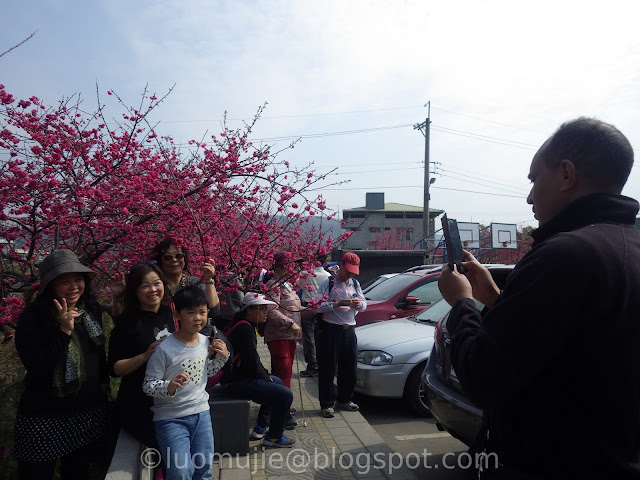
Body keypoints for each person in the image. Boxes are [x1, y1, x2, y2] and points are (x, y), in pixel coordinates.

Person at [438, 117, 640, 479]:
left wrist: (463, 303)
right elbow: (578, 350)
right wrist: (497, 300)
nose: (530, 196)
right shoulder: (624, 248)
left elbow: (483, 379)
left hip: (548, 462)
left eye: (534, 180)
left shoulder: (563, 255)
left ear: (566, 175)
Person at [14, 249, 109, 480]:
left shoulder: (88, 310)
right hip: (44, 417)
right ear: (50, 285)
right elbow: (38, 365)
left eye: (78, 279)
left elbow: (97, 353)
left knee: (77, 472)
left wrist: (104, 385)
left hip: (85, 412)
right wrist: (64, 331)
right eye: (64, 281)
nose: (74, 286)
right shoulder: (34, 317)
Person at [143, 286, 229, 480]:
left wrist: (222, 358)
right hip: (170, 419)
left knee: (204, 468)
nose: (197, 317)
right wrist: (169, 386)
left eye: (202, 312)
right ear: (177, 314)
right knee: (180, 472)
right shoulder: (164, 349)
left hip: (201, 414)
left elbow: (203, 374)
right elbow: (148, 385)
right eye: (191, 312)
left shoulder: (205, 342)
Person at [108, 262, 175, 448]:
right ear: (135, 291)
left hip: (170, 399)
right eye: (145, 285)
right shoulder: (127, 323)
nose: (152, 289)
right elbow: (115, 369)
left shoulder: (171, 314)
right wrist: (145, 356)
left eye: (157, 283)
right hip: (139, 404)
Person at [221, 292, 296, 448]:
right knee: (284, 394)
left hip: (237, 377)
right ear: (249, 310)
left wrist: (265, 376)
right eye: (261, 309)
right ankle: (274, 437)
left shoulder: (243, 324)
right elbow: (251, 362)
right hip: (234, 382)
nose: (265, 313)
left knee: (278, 382)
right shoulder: (245, 329)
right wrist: (265, 377)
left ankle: (261, 426)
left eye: (265, 309)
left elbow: (251, 361)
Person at [313, 252, 366, 418]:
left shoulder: (355, 284)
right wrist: (335, 304)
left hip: (349, 330)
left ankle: (344, 399)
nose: (350, 274)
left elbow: (364, 304)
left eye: (353, 271)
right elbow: (316, 306)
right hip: (331, 330)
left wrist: (359, 305)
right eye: (348, 270)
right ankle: (327, 403)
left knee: (349, 367)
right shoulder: (327, 283)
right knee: (328, 368)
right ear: (341, 265)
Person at [152, 237, 220, 318]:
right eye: (168, 257)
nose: (174, 260)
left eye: (179, 256)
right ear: (160, 260)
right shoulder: (155, 286)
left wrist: (208, 279)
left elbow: (213, 311)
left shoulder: (195, 283)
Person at [264, 252, 303, 389]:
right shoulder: (274, 284)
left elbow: (295, 308)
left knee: (286, 371)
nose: (291, 269)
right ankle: (282, 406)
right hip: (279, 336)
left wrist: (315, 309)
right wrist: (290, 323)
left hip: (290, 336)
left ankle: (283, 404)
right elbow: (270, 310)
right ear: (279, 268)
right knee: (283, 371)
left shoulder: (288, 285)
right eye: (288, 266)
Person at [297, 254, 330, 377]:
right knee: (320, 336)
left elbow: (298, 285)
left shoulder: (306, 273)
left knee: (308, 336)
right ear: (325, 262)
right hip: (323, 308)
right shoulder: (328, 276)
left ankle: (312, 364)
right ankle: (322, 363)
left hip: (308, 306)